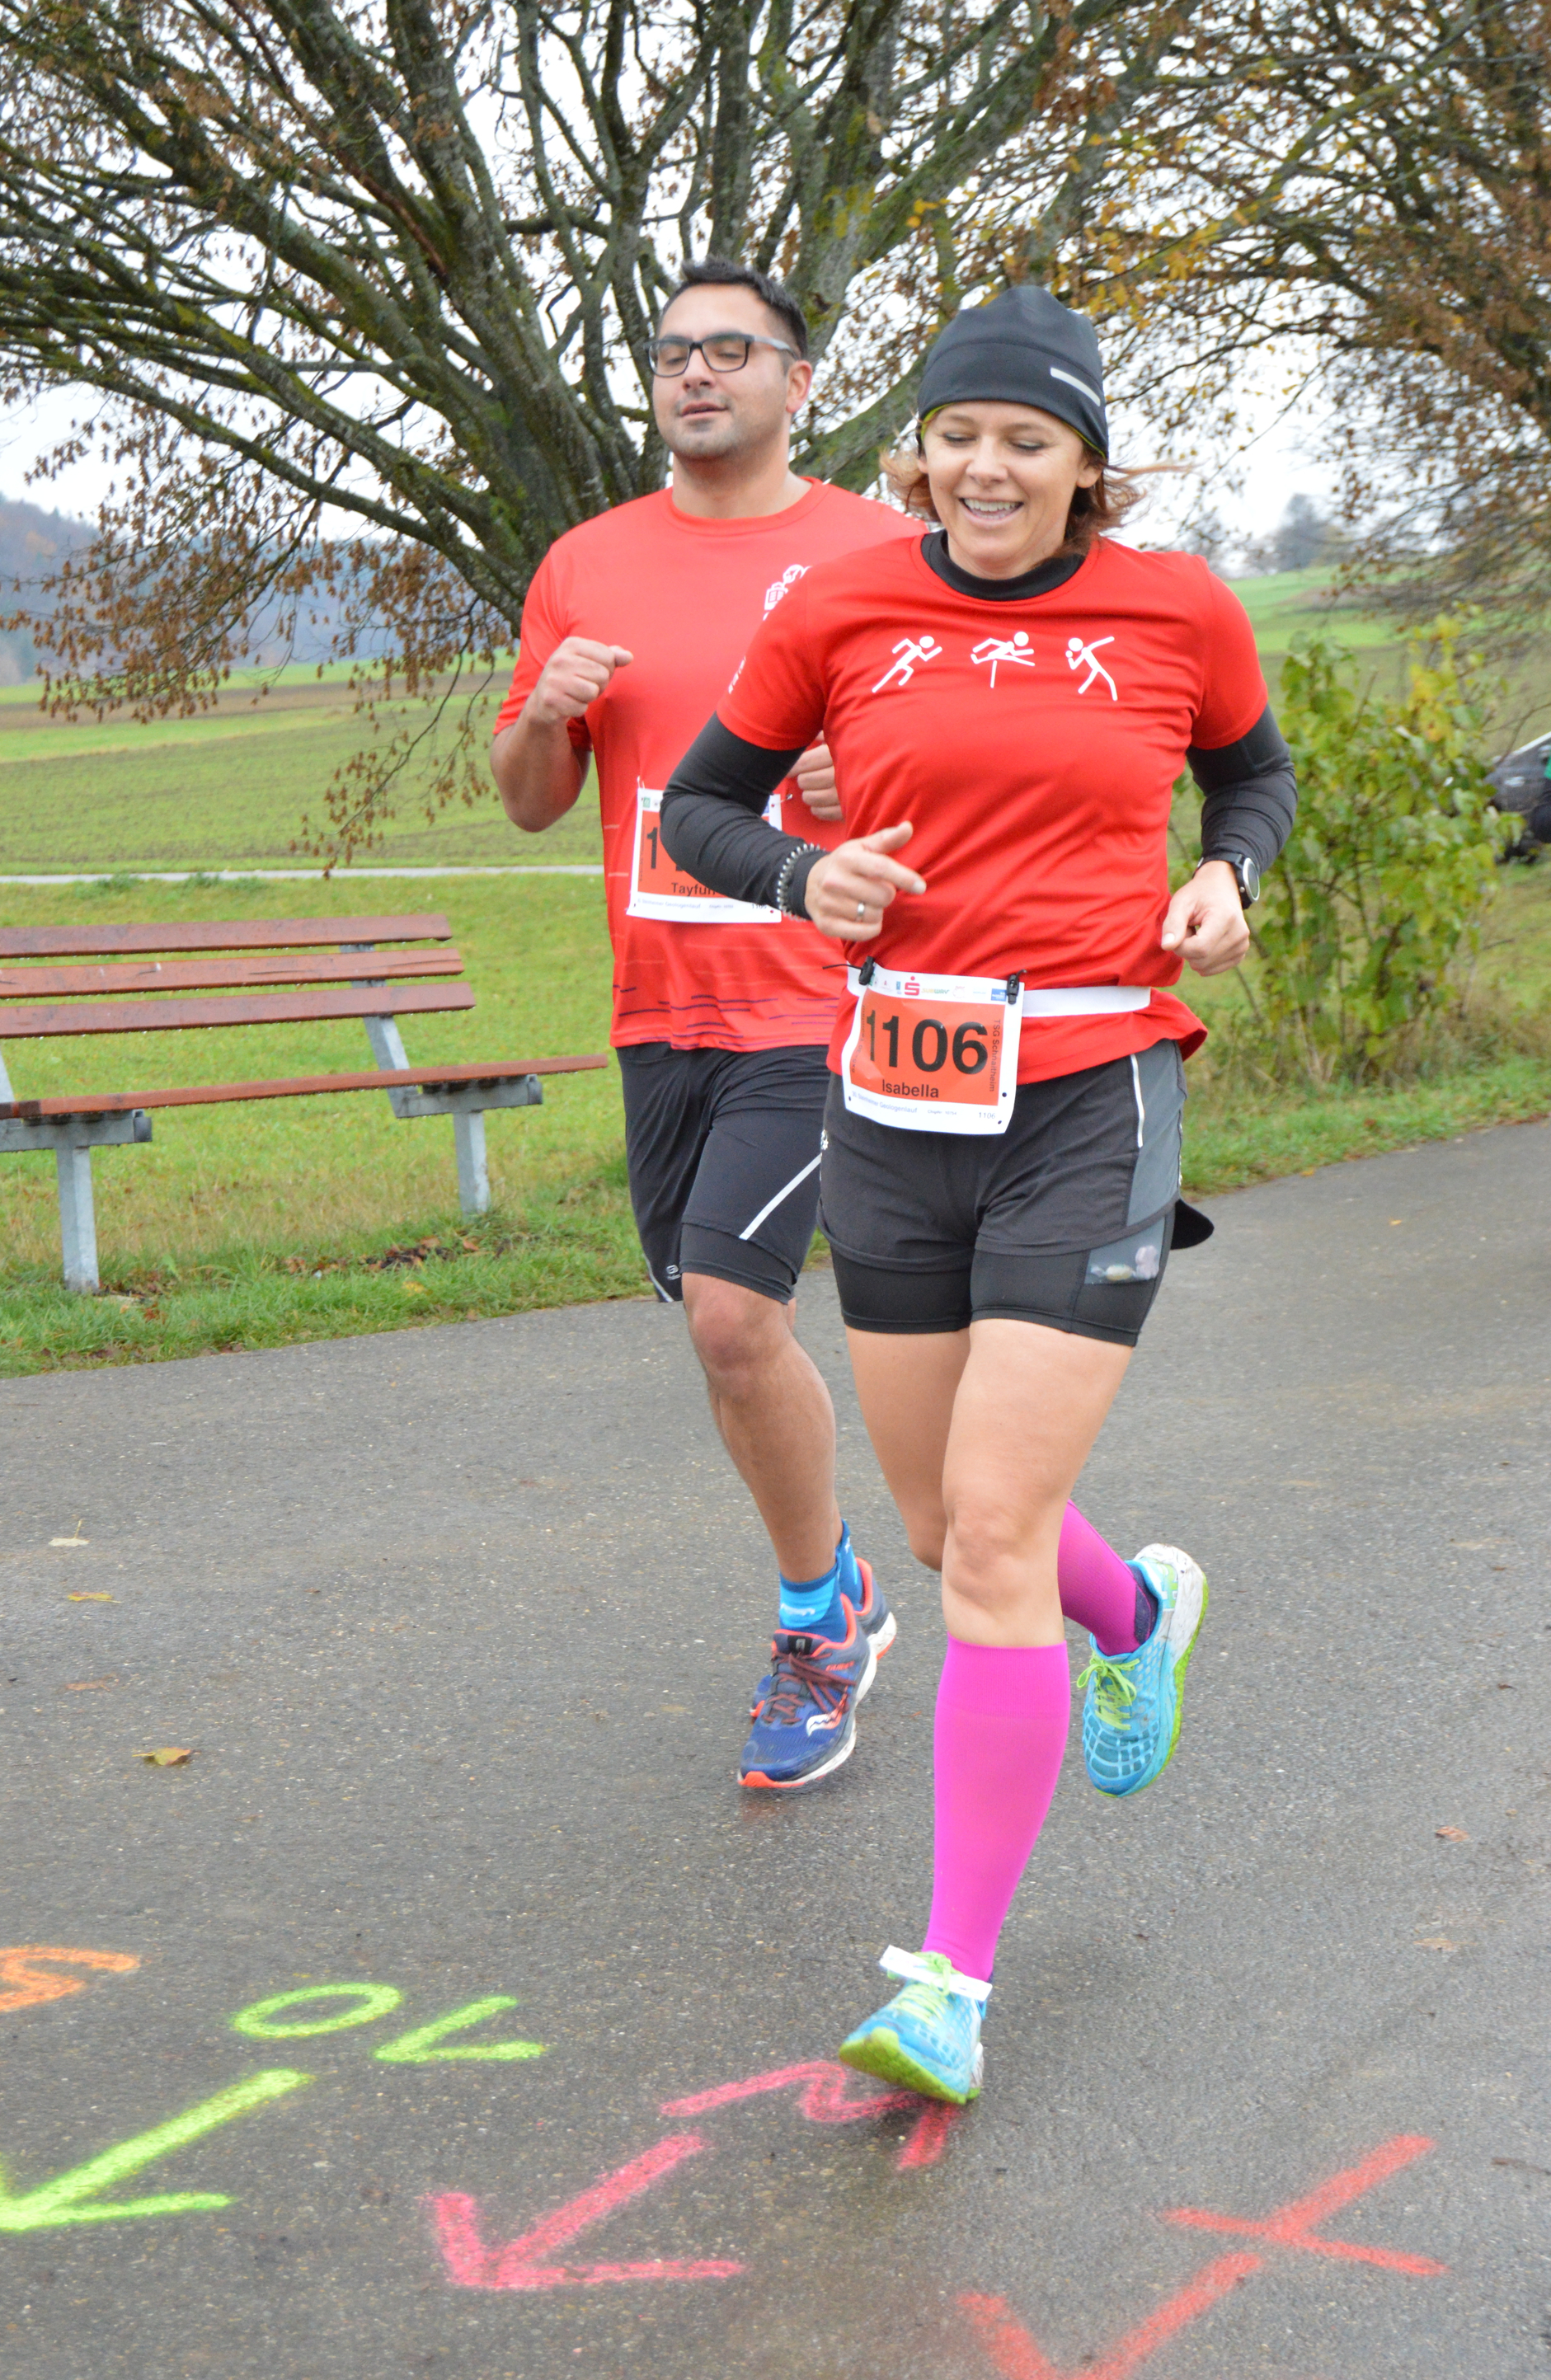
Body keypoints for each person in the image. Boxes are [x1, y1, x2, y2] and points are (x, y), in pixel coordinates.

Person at [660, 284, 1296, 2099]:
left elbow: (1252, 772)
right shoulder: (842, 604)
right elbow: (701, 805)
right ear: (919, 451)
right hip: (893, 1098)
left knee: (995, 1546)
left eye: (1030, 440)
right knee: (949, 1526)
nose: (989, 467)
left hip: (1092, 1089)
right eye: (960, 435)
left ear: (1088, 465)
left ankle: (948, 1981)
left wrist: (1230, 876)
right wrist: (801, 876)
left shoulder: (1176, 606)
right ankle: (1139, 1615)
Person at [492, 258, 918, 1791]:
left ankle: (816, 1625)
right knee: (718, 1328)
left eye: (731, 351)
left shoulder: (886, 552)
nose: (695, 373)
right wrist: (548, 709)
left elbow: (972, 770)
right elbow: (531, 802)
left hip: (825, 995)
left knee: (737, 1319)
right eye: (673, 351)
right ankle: (843, 1581)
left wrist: (866, 783)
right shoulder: (586, 562)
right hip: (661, 1004)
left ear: (799, 383)